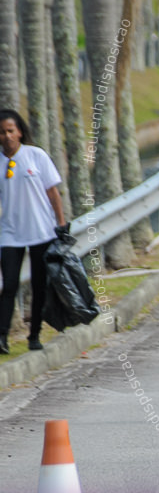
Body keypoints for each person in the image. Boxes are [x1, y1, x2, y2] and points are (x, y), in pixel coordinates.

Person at [0, 109, 67, 354]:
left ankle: (35, 335)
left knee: (39, 286)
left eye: (11, 130)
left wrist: (61, 224)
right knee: (8, 286)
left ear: (19, 132)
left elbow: (53, 193)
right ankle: (2, 337)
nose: (7, 136)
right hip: (10, 234)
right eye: (2, 132)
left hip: (41, 230)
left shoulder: (35, 155)